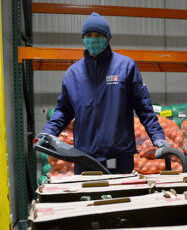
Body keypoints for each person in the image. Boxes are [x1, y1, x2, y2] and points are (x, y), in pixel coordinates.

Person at [41, 12, 170, 174]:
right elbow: (63, 111)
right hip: (84, 158)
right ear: (83, 38)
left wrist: (158, 137)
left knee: (122, 198)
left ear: (108, 38)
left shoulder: (125, 67)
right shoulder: (73, 74)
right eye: (88, 35)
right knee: (87, 199)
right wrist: (47, 132)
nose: (93, 39)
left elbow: (143, 107)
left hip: (119, 158)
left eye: (98, 35)